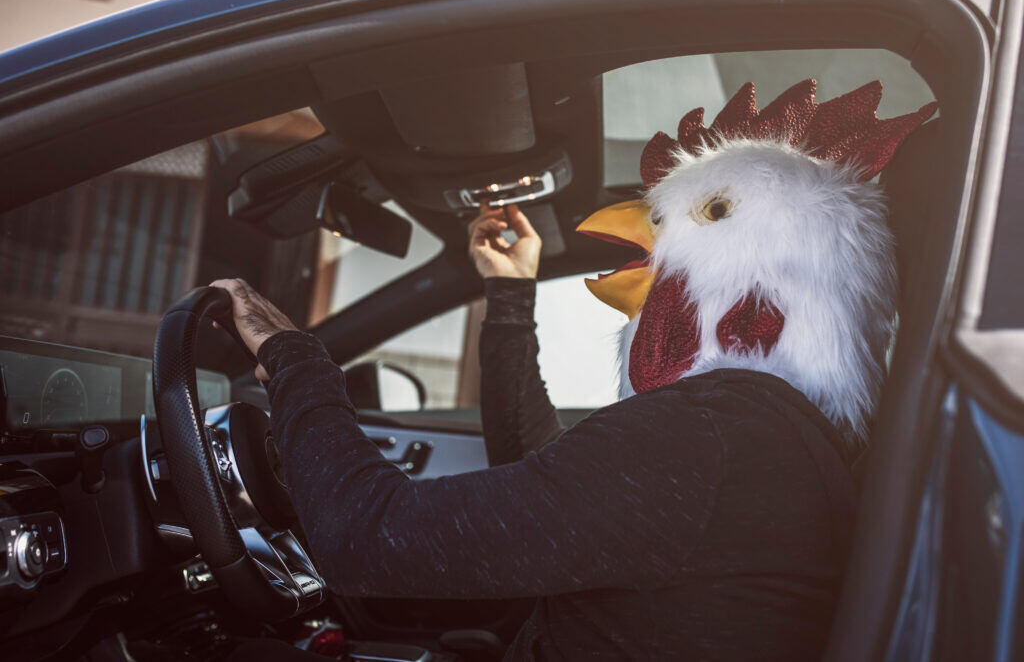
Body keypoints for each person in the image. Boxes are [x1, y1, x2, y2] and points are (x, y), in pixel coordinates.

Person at [210, 206, 856, 661]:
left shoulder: (709, 435)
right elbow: (547, 469)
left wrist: (296, 362)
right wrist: (510, 295)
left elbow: (361, 538)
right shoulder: (767, 436)